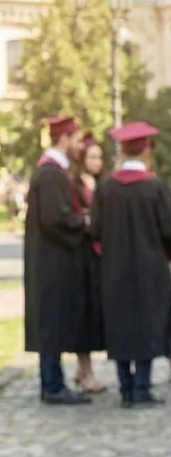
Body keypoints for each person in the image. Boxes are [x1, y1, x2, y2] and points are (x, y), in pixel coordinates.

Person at [90, 122, 171, 408]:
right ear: (146, 151)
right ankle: (141, 388)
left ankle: (125, 388)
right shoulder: (155, 187)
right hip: (150, 270)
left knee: (120, 326)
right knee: (146, 324)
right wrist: (164, 253)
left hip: (114, 270)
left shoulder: (105, 187)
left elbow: (95, 230)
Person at [23, 116, 91, 404]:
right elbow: (54, 219)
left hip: (52, 262)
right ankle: (52, 386)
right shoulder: (50, 173)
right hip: (51, 264)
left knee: (53, 321)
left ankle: (53, 383)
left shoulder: (53, 171)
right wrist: (83, 222)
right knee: (51, 323)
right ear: (63, 139)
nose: (80, 146)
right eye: (76, 140)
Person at [70, 134, 106, 393]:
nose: (97, 161)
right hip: (80, 255)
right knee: (82, 313)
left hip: (100, 256)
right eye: (92, 156)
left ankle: (84, 369)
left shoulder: (105, 183)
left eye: (100, 157)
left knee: (96, 313)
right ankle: (85, 369)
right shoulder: (72, 183)